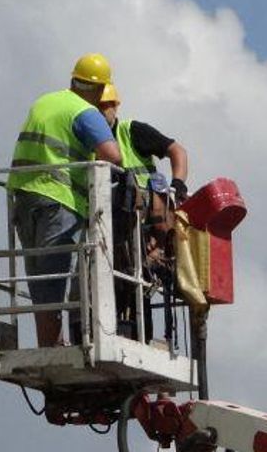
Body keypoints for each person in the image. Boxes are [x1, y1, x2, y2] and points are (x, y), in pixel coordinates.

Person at [9, 53, 122, 347]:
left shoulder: (44, 101)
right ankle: (54, 344)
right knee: (54, 282)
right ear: (99, 90)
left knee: (39, 283)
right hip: (58, 201)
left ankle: (50, 344)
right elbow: (113, 156)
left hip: (23, 198)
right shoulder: (85, 112)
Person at [97, 84, 188, 341]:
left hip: (145, 230)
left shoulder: (131, 132)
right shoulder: (87, 140)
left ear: (115, 106)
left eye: (106, 106)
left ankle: (140, 337)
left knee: (138, 287)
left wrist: (178, 183)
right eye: (97, 107)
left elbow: (176, 151)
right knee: (114, 288)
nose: (102, 112)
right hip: (111, 233)